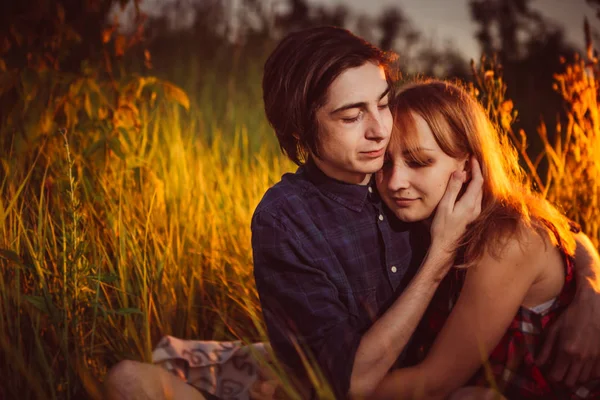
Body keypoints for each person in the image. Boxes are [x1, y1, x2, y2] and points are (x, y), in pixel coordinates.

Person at [104, 26, 600, 400]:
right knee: (129, 379)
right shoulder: (288, 221)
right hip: (339, 380)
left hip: (408, 384)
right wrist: (440, 253)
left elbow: (548, 227)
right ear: (302, 131)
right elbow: (345, 382)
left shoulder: (422, 176)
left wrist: (592, 291)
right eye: (350, 116)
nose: (381, 132)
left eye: (382, 104)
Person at [369, 79, 600, 399]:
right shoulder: (426, 220)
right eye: (385, 163)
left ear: (468, 163)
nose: (395, 181)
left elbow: (435, 384)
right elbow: (576, 232)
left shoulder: (506, 237)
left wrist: (307, 388)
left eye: (419, 162)